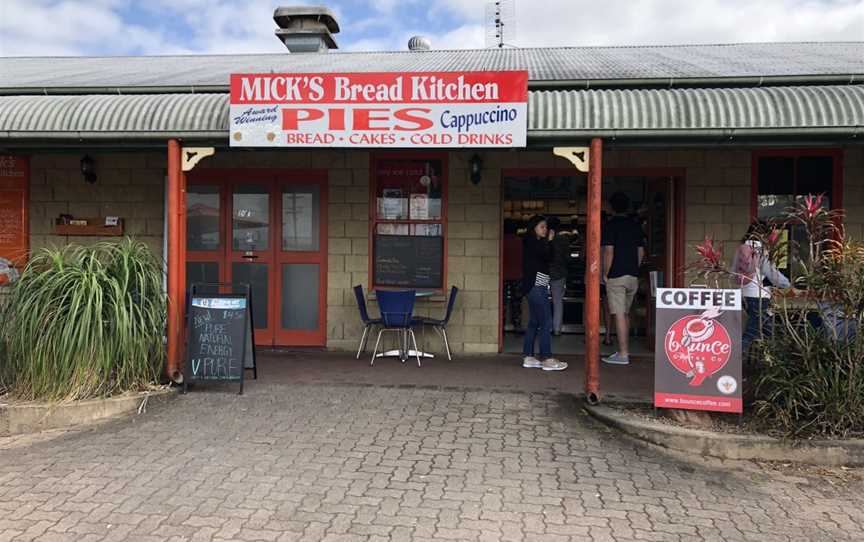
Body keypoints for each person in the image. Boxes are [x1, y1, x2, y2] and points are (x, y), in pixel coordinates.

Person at [729, 221, 791, 357]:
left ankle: (777, 360)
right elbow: (770, 273)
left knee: (769, 330)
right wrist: (786, 283)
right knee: (751, 333)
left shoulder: (741, 248)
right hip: (759, 297)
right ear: (764, 234)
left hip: (744, 295)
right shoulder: (759, 250)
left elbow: (732, 274)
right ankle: (732, 359)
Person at [601, 192, 646, 365]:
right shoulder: (635, 225)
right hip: (632, 276)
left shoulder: (610, 226)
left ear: (611, 208)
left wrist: (606, 272)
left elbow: (609, 251)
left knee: (618, 314)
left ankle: (623, 353)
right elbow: (641, 251)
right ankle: (622, 350)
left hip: (617, 276)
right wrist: (635, 268)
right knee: (625, 313)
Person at [521, 215, 568, 371]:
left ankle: (528, 356)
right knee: (546, 321)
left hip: (535, 285)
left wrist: (549, 241)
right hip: (536, 286)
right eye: (542, 227)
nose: (545, 229)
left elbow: (549, 257)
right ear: (533, 227)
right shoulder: (532, 242)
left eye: (545, 227)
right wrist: (548, 241)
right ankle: (546, 358)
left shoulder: (537, 242)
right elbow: (545, 255)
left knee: (535, 321)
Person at [547, 217, 574, 336]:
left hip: (545, 272)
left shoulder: (543, 238)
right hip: (559, 272)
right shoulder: (563, 239)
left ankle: (545, 327)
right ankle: (557, 329)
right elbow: (568, 258)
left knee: (543, 301)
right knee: (557, 301)